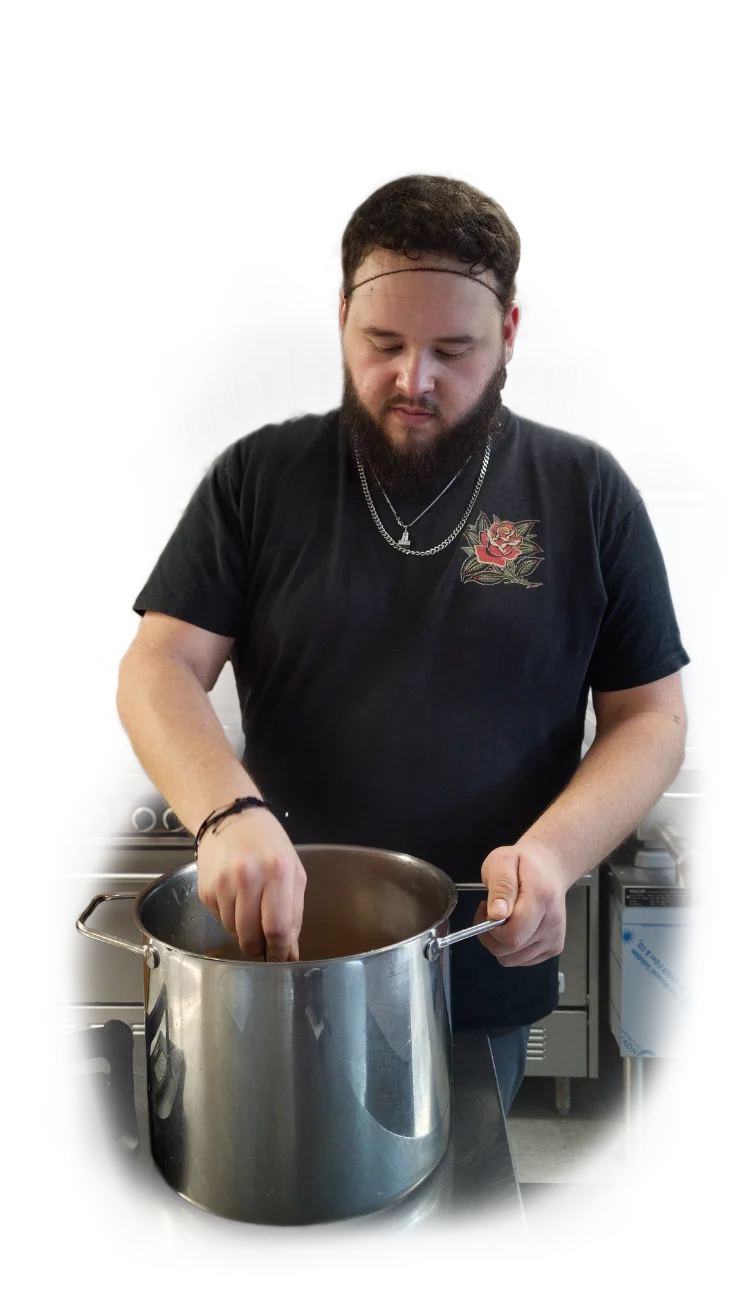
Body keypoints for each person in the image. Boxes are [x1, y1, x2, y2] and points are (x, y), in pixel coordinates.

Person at [120, 174, 689, 1115]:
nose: (412, 380)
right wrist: (225, 813)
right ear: (342, 317)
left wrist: (554, 854)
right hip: (279, 959)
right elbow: (159, 665)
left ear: (506, 336)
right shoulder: (261, 474)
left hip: (478, 964)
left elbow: (651, 717)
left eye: (452, 350)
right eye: (383, 343)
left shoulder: (586, 492)